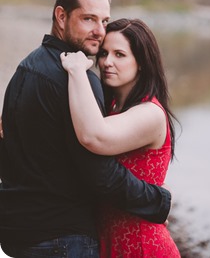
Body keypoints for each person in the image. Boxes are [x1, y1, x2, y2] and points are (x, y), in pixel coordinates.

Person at [0, 0, 171, 258]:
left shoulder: (24, 70)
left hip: (18, 233)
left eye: (104, 21)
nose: (99, 31)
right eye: (89, 19)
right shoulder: (77, 82)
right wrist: (158, 201)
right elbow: (100, 174)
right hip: (63, 238)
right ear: (61, 16)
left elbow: (11, 157)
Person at [60, 18, 181, 257]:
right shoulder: (114, 107)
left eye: (120, 54)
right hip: (109, 241)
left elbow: (93, 136)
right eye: (104, 53)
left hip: (142, 247)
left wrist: (76, 71)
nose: (107, 62)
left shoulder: (151, 114)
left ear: (143, 63)